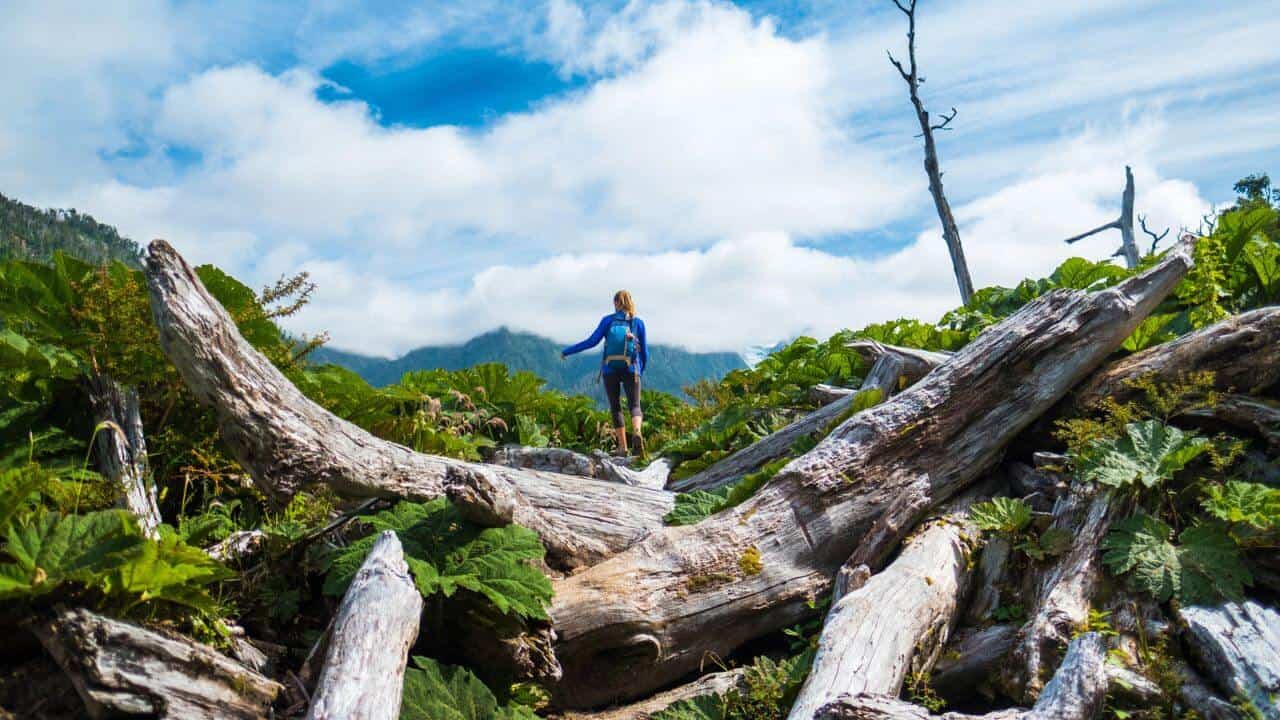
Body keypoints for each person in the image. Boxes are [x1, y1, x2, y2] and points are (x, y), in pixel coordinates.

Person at [561, 290, 648, 455]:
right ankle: (637, 432)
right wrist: (639, 371)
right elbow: (645, 352)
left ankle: (623, 448)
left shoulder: (608, 321)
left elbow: (591, 342)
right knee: (635, 406)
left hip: (610, 368)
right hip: (631, 368)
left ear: (616, 303)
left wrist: (567, 351)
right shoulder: (638, 323)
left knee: (616, 407)